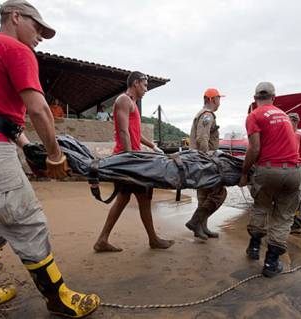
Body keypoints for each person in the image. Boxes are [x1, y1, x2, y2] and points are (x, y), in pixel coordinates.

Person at [0, 1, 99, 318]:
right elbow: (40, 109)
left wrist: (27, 145)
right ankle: (59, 299)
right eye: (37, 27)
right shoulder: (16, 50)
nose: (40, 36)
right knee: (28, 221)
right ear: (15, 17)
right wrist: (55, 155)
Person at [93, 71, 175, 252]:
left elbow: (135, 133)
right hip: (126, 160)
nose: (146, 89)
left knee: (124, 199)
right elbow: (123, 132)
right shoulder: (123, 100)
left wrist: (152, 146)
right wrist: (132, 159)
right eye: (145, 85)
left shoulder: (132, 104)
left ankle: (102, 240)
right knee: (144, 197)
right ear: (136, 83)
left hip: (129, 159)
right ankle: (153, 240)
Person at [238, 82, 301, 278]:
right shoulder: (284, 115)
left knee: (261, 207)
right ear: (274, 98)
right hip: (293, 171)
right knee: (283, 218)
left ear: (255, 98)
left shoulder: (254, 116)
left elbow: (254, 148)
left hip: (268, 170)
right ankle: (271, 263)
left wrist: (244, 172)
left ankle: (254, 248)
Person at [185, 88, 227, 240]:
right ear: (211, 100)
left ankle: (201, 228)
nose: (219, 102)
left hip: (198, 161)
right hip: (204, 161)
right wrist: (208, 160)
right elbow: (202, 139)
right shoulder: (207, 115)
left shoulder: (202, 114)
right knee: (219, 193)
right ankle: (195, 222)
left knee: (204, 196)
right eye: (218, 99)